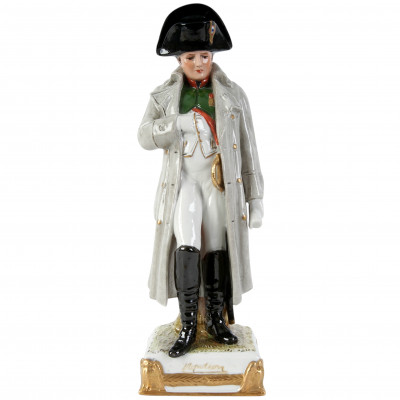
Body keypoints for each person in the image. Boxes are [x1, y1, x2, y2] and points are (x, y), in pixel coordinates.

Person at [138, 4, 264, 358]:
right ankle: (189, 324)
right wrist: (174, 123)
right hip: (184, 182)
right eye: (190, 56)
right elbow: (144, 135)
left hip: (219, 183)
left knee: (217, 245)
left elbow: (249, 149)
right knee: (187, 241)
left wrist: (255, 198)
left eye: (204, 55)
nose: (198, 63)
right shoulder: (164, 96)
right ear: (179, 59)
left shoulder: (233, 95)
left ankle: (217, 320)